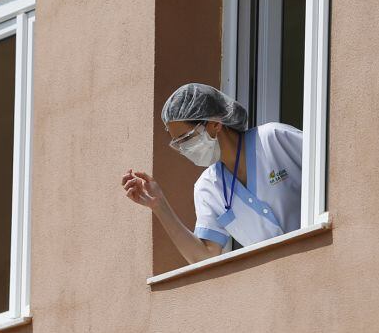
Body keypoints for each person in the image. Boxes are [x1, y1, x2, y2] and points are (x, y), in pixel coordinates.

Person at [122, 83, 303, 265]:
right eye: (177, 144)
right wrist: (159, 206)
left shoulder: (273, 139)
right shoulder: (208, 187)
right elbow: (205, 257)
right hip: (279, 283)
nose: (183, 149)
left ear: (215, 124)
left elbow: (330, 169)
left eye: (186, 138)